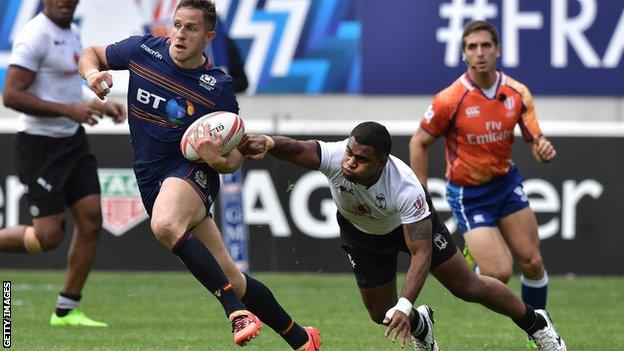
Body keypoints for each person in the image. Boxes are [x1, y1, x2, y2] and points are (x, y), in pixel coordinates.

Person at [77, 0, 321, 349]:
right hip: (150, 178)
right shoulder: (142, 50)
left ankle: (234, 312)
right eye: (177, 25)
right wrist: (92, 75)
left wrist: (216, 159)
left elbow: (234, 158)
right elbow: (90, 53)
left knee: (164, 226)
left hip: (192, 172)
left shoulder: (217, 87)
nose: (180, 34)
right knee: (233, 278)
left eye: (191, 28)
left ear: (208, 37)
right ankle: (302, 339)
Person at [238, 121, 566, 351]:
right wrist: (268, 143)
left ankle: (536, 323)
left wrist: (405, 301)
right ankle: (421, 325)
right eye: (350, 153)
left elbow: (420, 253)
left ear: (381, 162)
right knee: (382, 314)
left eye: (361, 159)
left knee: (468, 287)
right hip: (362, 235)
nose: (350, 162)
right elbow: (297, 149)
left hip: (410, 227)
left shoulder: (405, 188)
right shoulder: (339, 158)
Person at [409, 20, 556, 349]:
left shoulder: (517, 93)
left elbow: (536, 141)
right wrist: (419, 194)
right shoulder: (450, 98)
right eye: (472, 47)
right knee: (498, 273)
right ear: (464, 54)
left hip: (506, 184)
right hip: (468, 194)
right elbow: (418, 142)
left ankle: (541, 329)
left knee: (532, 261)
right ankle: (470, 255)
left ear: (497, 49)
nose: (480, 53)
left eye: (485, 45)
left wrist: (543, 150)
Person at [0, 0, 126, 327]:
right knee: (48, 237)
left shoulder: (72, 32)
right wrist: (70, 110)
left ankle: (67, 310)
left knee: (91, 220)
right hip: (40, 146)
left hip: (72, 141)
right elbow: (11, 95)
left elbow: (64, 90)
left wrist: (101, 105)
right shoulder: (35, 35)